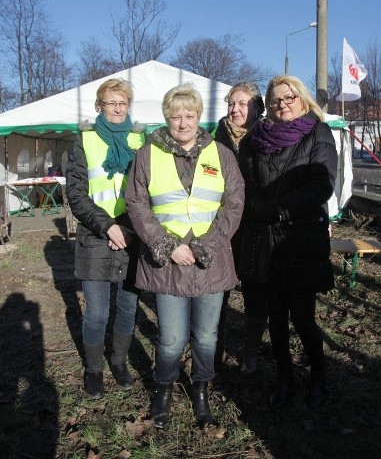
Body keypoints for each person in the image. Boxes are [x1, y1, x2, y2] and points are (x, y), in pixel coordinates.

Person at [125, 83, 245, 428]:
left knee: (207, 336)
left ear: (198, 117)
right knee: (172, 337)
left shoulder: (221, 154)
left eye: (189, 114)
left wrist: (208, 244)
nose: (183, 121)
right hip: (168, 263)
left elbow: (234, 202)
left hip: (211, 260)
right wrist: (166, 245)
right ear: (167, 118)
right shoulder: (148, 154)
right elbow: (136, 202)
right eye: (176, 115)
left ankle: (201, 390)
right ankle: (163, 389)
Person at [237, 75, 337, 409]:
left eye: (290, 97)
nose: (284, 104)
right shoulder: (256, 139)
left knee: (304, 318)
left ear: (303, 99)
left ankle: (319, 377)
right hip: (265, 239)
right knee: (276, 319)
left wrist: (279, 210)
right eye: (277, 99)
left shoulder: (317, 133)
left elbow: (322, 184)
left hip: (301, 238)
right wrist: (255, 207)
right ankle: (284, 378)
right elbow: (246, 182)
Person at [66, 78, 146, 399]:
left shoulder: (142, 140)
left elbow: (147, 190)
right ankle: (95, 369)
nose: (117, 108)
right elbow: (76, 193)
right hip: (94, 236)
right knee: (97, 312)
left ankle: (119, 361)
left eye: (122, 102)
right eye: (110, 102)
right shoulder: (83, 140)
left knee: (128, 308)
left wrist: (125, 229)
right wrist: (107, 227)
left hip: (131, 236)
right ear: (99, 105)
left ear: (128, 105)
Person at [213, 81, 266, 375]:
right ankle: (215, 347)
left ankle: (250, 352)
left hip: (255, 226)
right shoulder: (213, 139)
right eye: (231, 103)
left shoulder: (266, 138)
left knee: (255, 292)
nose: (235, 109)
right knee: (216, 291)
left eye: (242, 103)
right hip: (221, 226)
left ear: (256, 107)